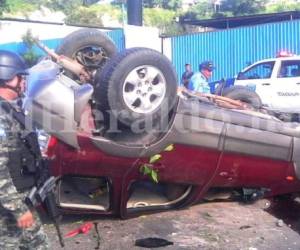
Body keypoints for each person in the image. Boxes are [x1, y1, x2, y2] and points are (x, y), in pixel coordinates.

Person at [0, 50, 49, 249]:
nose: (24, 82)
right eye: (21, 76)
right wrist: (19, 210)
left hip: (21, 199)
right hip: (8, 210)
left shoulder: (13, 109)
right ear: (9, 77)